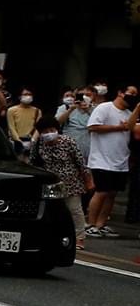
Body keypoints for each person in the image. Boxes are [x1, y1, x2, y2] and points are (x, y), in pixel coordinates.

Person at [27, 111, 92, 242]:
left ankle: (79, 237)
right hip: (52, 184)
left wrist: (88, 180)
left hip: (71, 182)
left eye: (51, 130)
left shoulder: (68, 142)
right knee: (52, 211)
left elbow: (80, 163)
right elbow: (33, 163)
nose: (49, 133)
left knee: (75, 210)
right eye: (45, 131)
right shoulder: (38, 145)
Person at [85, 85, 135, 236]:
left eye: (135, 94)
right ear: (120, 92)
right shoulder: (104, 108)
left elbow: (131, 130)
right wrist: (117, 128)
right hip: (101, 158)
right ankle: (91, 224)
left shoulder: (129, 113)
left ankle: (101, 224)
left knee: (112, 193)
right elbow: (93, 127)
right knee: (101, 191)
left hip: (120, 160)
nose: (132, 96)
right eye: (130, 93)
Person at [59, 87, 95, 152]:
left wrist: (87, 110)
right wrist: (71, 109)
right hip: (69, 147)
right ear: (75, 96)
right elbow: (58, 122)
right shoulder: (65, 107)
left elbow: (99, 124)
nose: (84, 97)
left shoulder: (96, 109)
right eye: (80, 95)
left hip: (89, 147)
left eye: (87, 95)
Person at [5, 89, 39, 155]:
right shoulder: (11, 110)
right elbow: (11, 127)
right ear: (19, 97)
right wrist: (18, 141)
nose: (28, 96)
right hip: (16, 141)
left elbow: (38, 128)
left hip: (31, 141)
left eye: (30, 94)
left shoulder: (37, 111)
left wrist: (33, 140)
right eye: (25, 94)